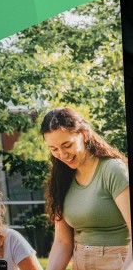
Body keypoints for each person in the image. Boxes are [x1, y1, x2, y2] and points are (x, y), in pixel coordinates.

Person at [41, 107, 132, 270]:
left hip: (118, 263)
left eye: (67, 145)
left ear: (84, 134)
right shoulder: (61, 179)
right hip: (80, 262)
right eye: (53, 149)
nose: (62, 154)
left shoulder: (113, 170)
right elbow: (63, 242)